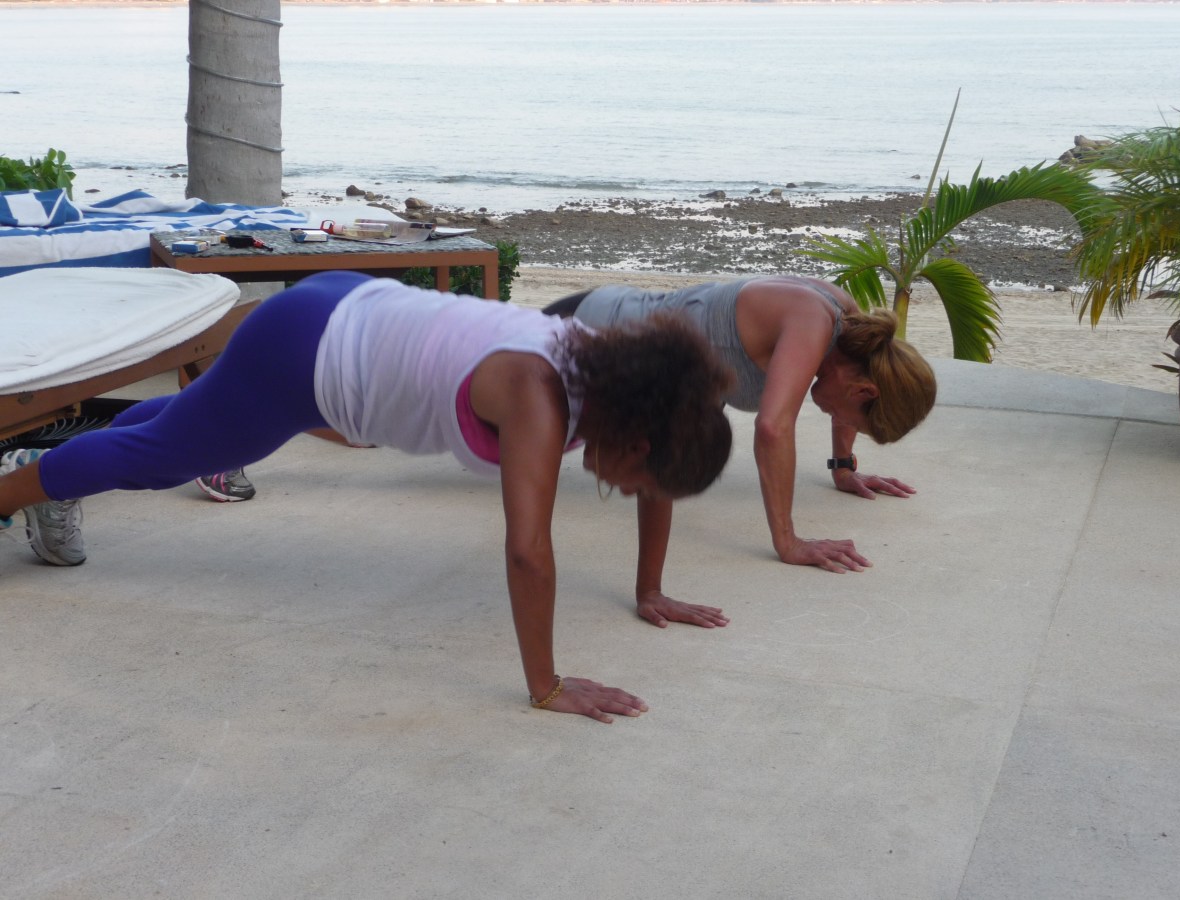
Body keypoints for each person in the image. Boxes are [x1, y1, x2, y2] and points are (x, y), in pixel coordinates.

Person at [0, 271, 734, 722]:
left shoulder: (619, 378)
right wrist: (547, 685)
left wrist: (651, 589)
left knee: (192, 434)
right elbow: (527, 552)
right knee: (159, 461)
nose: (625, 491)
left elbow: (661, 477)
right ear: (639, 444)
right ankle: (24, 483)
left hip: (345, 303)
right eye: (636, 482)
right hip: (303, 355)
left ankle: (69, 464)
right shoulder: (539, 398)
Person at [542, 275, 936, 628]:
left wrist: (843, 467)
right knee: (511, 455)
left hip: (616, 326)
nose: (835, 417)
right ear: (864, 390)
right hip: (586, 332)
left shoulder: (847, 332)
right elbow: (772, 428)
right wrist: (789, 542)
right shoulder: (815, 322)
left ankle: (650, 590)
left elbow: (665, 456)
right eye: (852, 419)